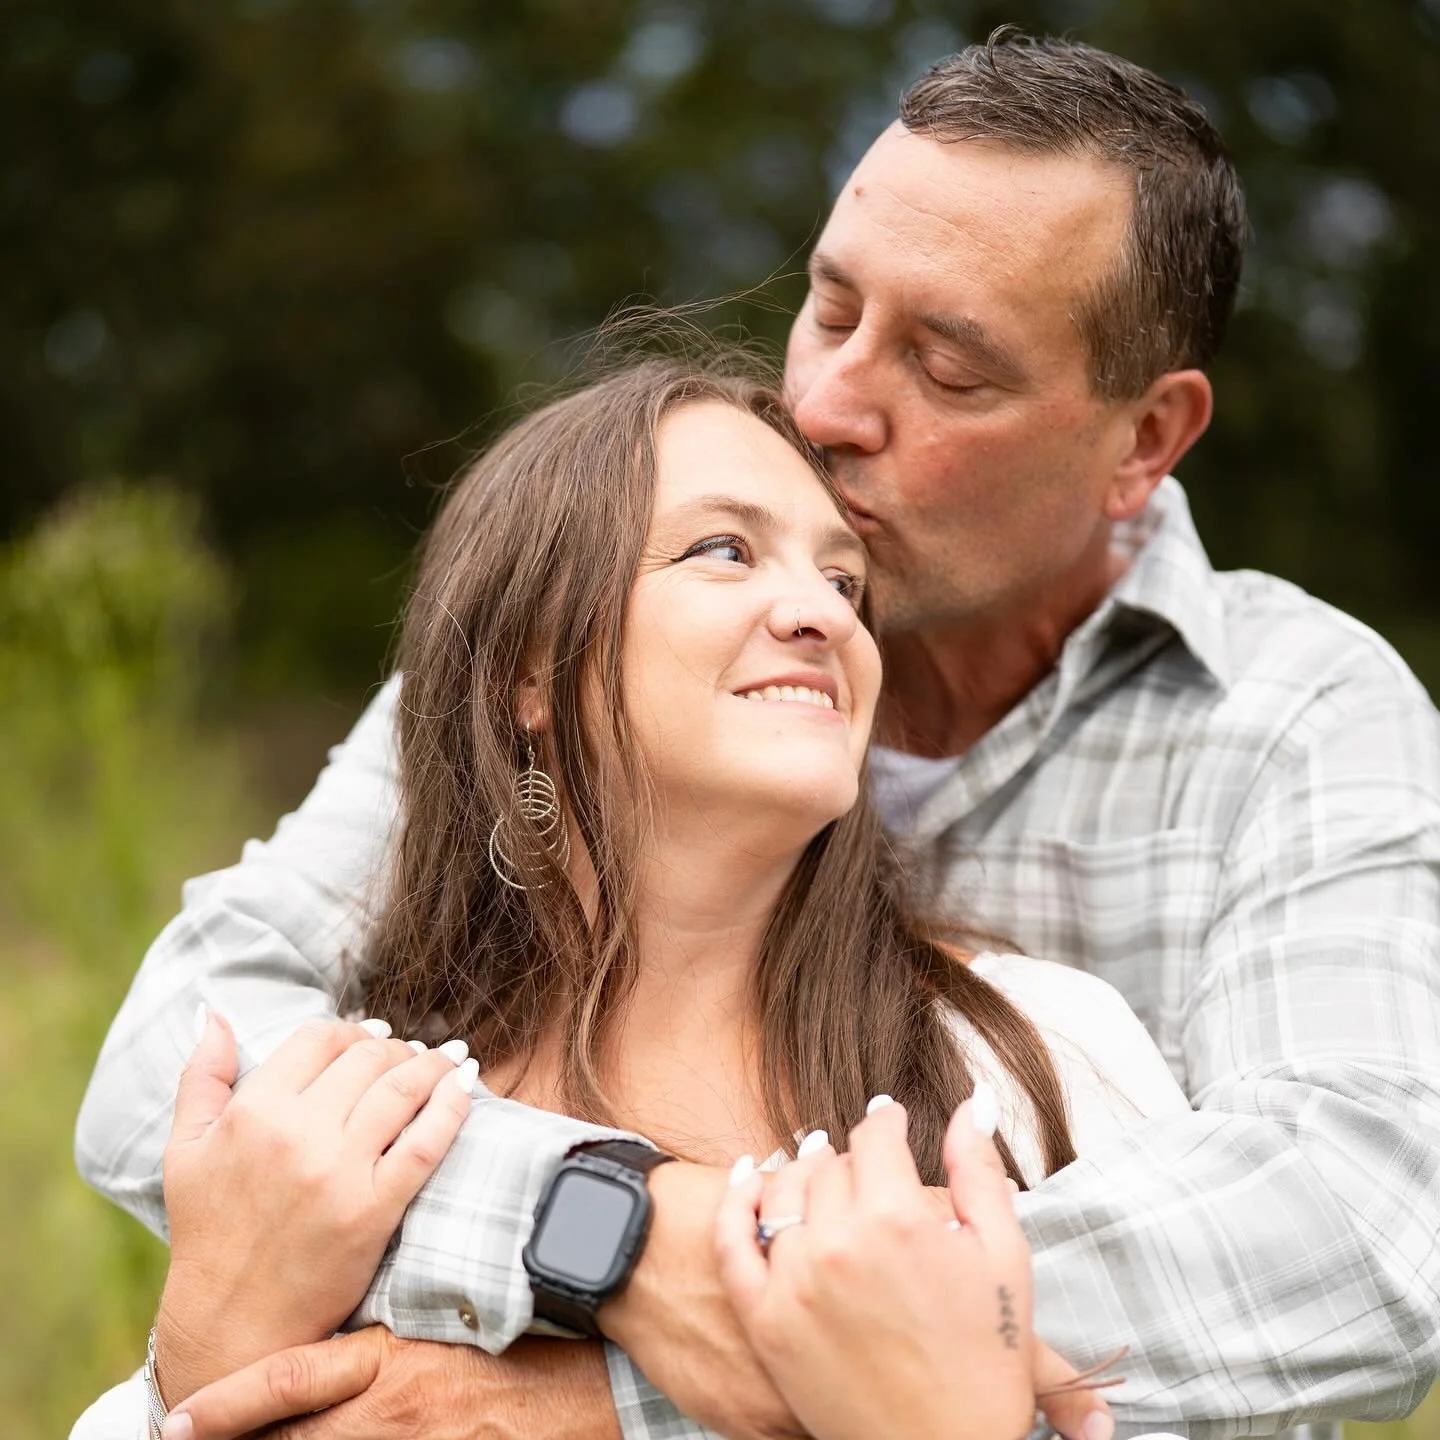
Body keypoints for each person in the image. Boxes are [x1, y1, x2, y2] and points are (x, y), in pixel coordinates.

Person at [76, 30, 1440, 1440]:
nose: (832, 403)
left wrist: (622, 1387)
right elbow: (179, 1067)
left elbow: (1369, 1227)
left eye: (948, 368)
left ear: (1144, 439)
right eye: (831, 307)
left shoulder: (1295, 721)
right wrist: (608, 1230)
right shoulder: (576, 665)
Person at [73, 354, 1182, 1439]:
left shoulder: (1033, 1065)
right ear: (528, 671)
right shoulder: (365, 1118)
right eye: (723, 549)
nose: (822, 613)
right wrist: (190, 1383)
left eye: (844, 580)